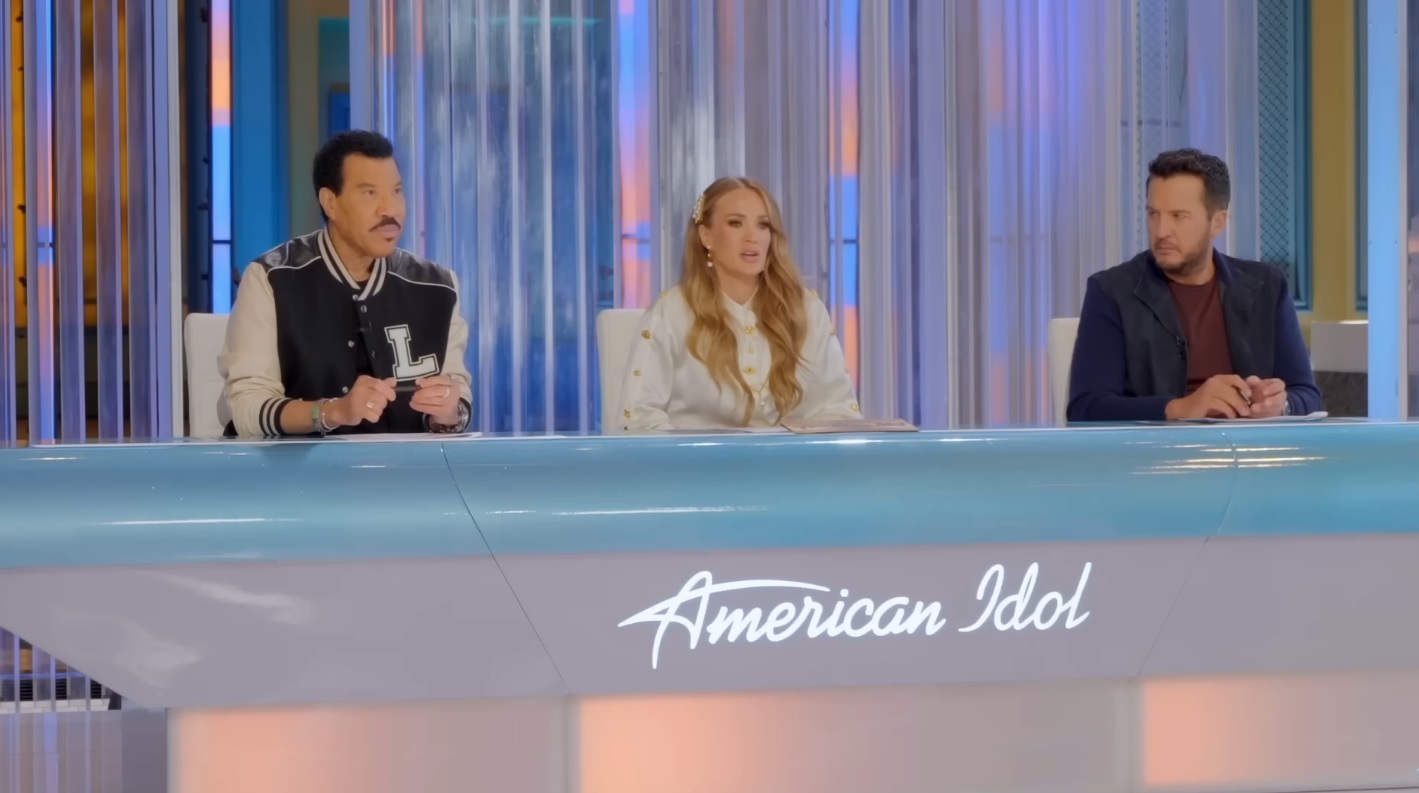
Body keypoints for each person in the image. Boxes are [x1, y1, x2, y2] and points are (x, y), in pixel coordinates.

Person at [219, 130, 472, 437]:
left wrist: (448, 413)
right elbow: (247, 408)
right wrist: (332, 412)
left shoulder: (438, 287)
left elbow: (458, 398)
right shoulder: (271, 278)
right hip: (297, 467)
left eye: (396, 191)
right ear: (330, 203)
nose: (390, 210)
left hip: (406, 466)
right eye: (370, 194)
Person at [1066, 148, 1321, 422]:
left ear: (1217, 222)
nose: (1161, 231)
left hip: (1250, 447)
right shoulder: (1110, 292)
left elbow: (1308, 395)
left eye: (1178, 216)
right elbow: (1086, 408)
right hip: (1157, 448)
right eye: (1153, 214)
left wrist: (1279, 405)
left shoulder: (1267, 287)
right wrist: (1180, 408)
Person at [618, 176, 861, 431]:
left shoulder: (807, 310)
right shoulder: (671, 312)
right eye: (736, 223)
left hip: (791, 457)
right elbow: (638, 418)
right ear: (706, 235)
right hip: (697, 457)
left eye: (763, 225)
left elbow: (839, 410)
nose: (752, 237)